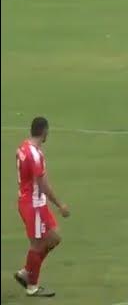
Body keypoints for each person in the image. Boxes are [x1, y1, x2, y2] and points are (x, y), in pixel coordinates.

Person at [14, 117, 70, 298]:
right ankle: (32, 286)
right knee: (38, 245)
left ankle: (26, 271)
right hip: (34, 205)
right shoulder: (35, 155)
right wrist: (60, 204)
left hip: (30, 202)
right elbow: (43, 184)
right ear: (44, 131)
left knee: (54, 238)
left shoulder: (23, 147)